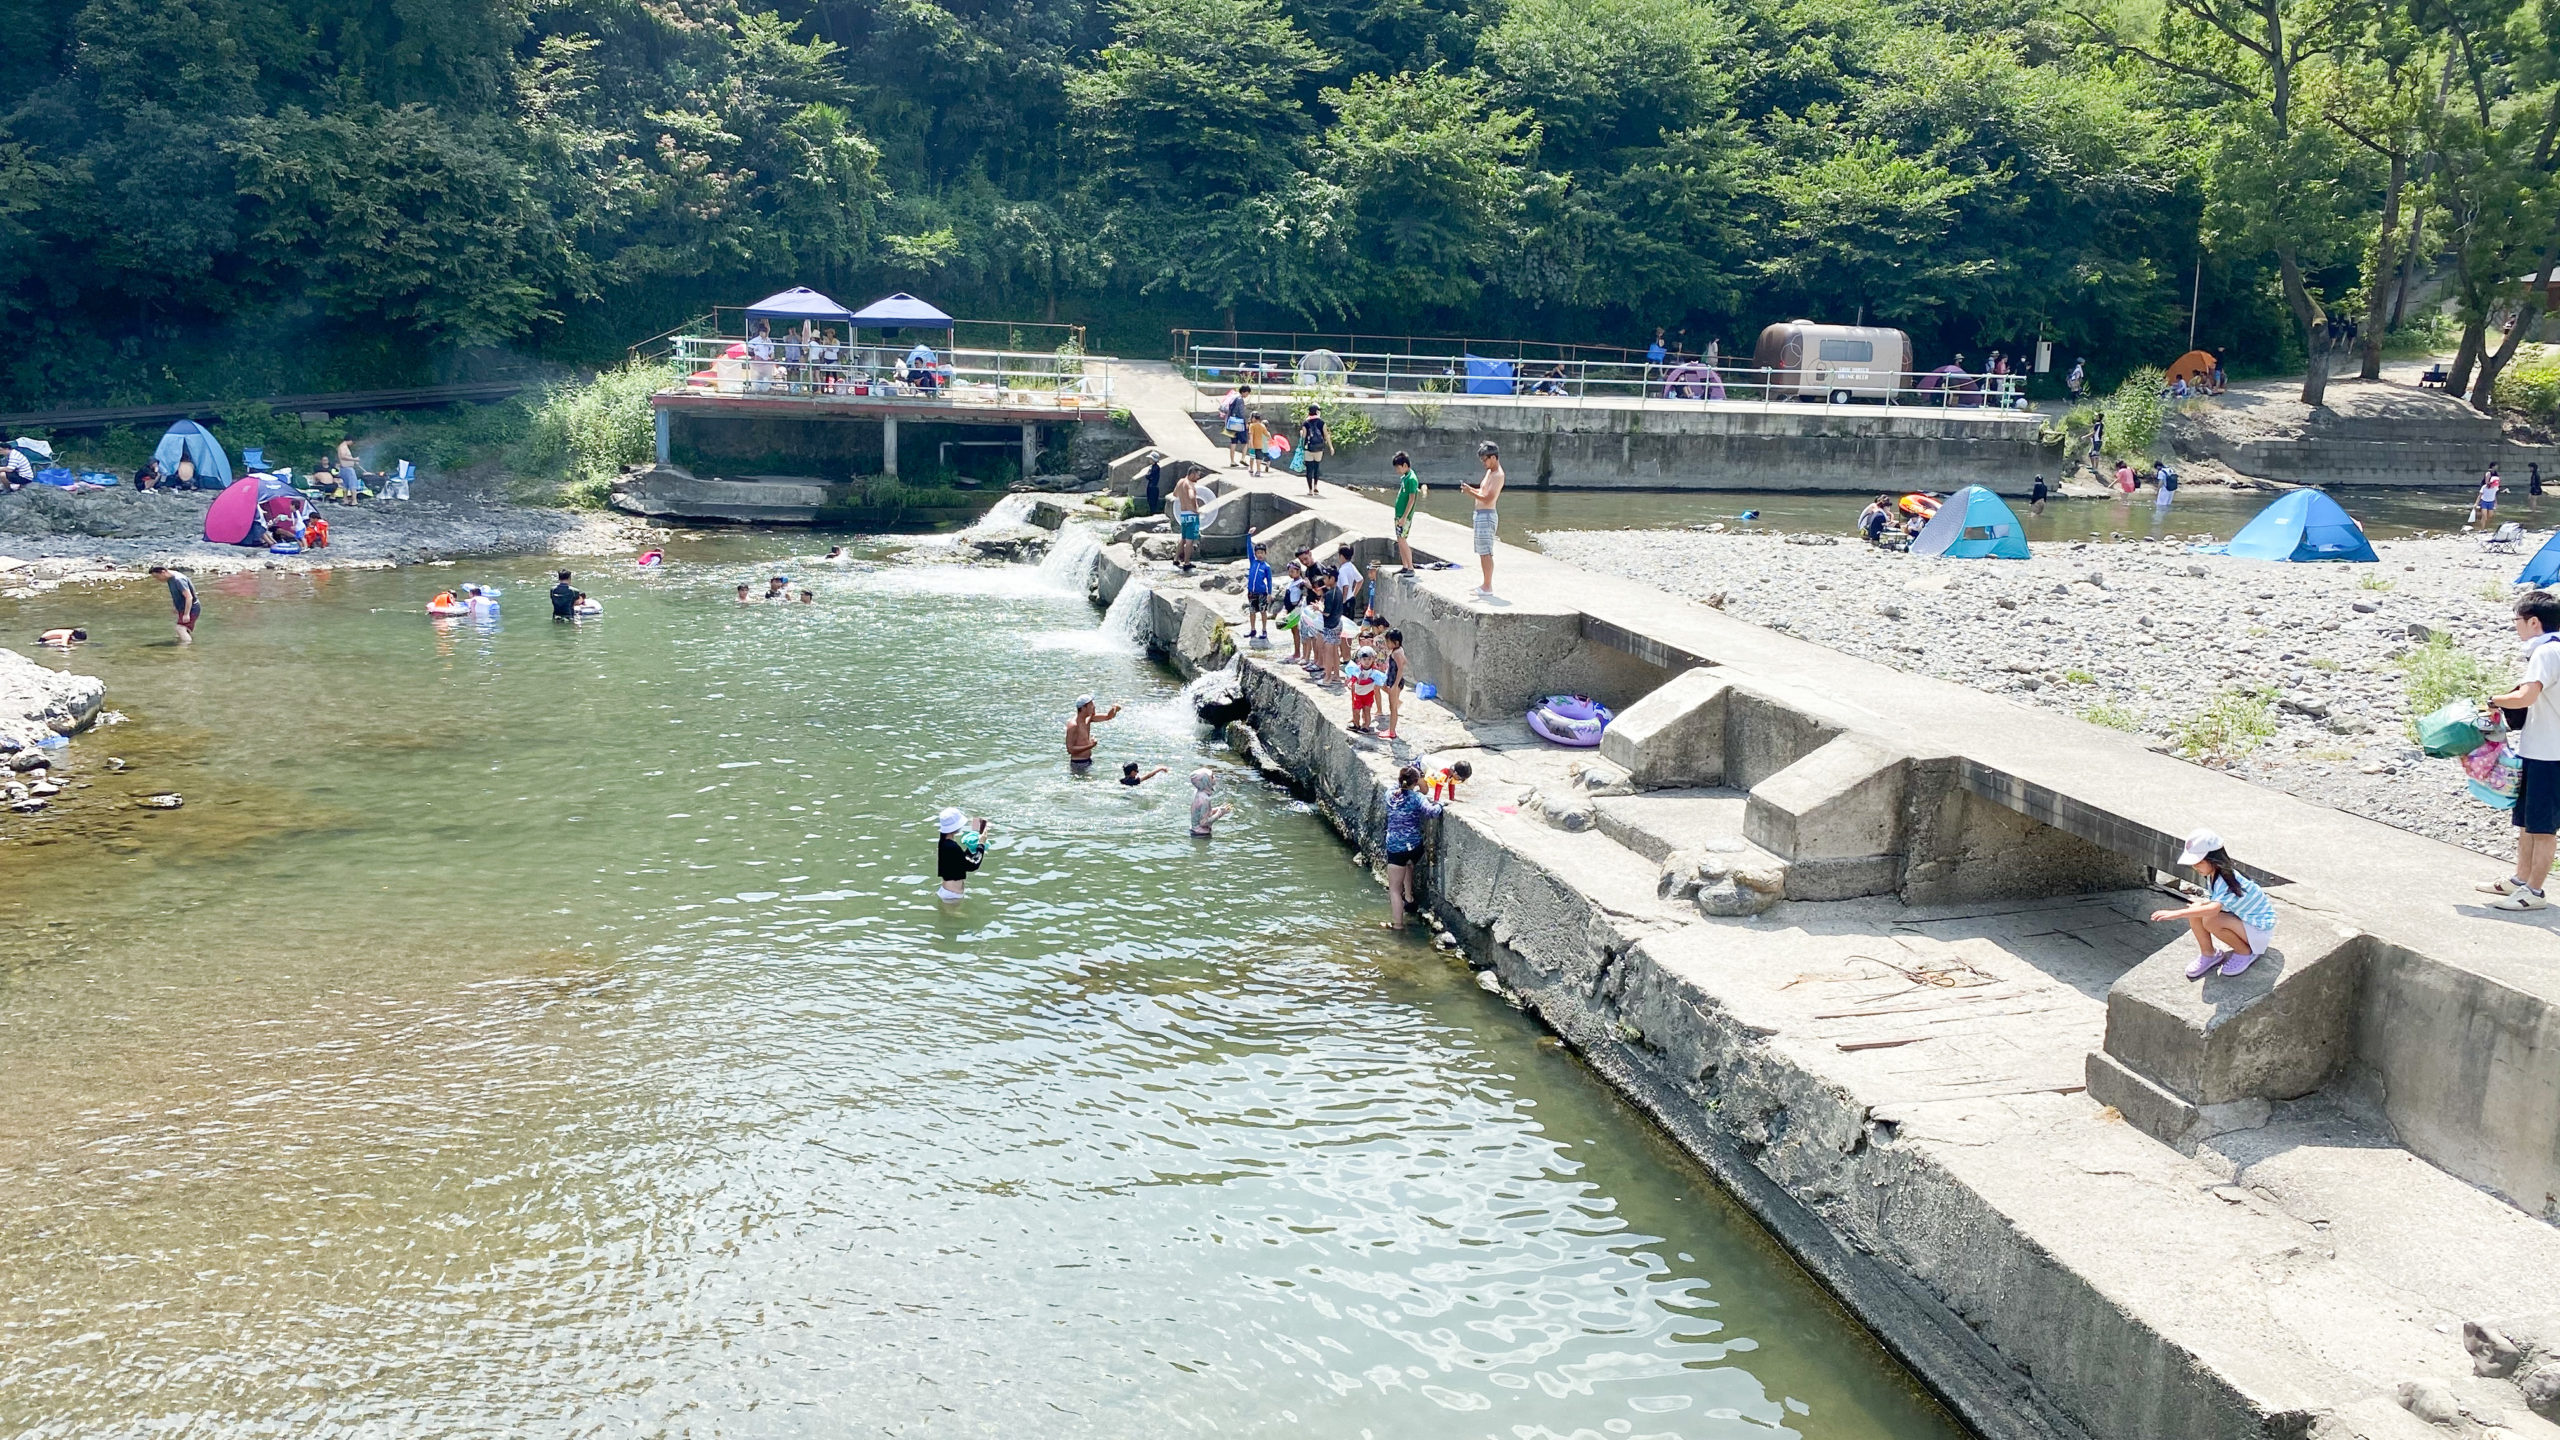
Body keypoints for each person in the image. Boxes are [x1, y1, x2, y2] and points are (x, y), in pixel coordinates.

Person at [2479, 589, 2560, 911]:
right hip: (2541, 749)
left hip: (2550, 754)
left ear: (2534, 622)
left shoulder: (2546, 653)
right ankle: (2520, 879)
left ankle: (2535, 892)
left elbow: (2526, 697)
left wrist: (2494, 699)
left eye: (2517, 621)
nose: (2516, 627)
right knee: (2528, 821)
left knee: (2542, 827)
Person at [2150, 828, 2278, 978]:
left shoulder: (2226, 879)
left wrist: (2177, 913)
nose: (2195, 867)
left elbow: (2213, 909)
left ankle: (2244, 952)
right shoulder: (2215, 875)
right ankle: (2208, 953)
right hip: (2245, 921)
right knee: (2196, 910)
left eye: (2199, 862)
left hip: (2259, 931)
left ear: (2213, 859)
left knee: (2211, 921)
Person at [1382, 764, 1444, 930]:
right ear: (1415, 782)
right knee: (1409, 864)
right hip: (1415, 848)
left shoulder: (1389, 795)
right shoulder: (1417, 798)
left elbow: (1397, 787)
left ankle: (1398, 925)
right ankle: (1409, 898)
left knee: (1394, 889)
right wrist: (1440, 804)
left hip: (1396, 849)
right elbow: (1432, 812)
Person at [1460, 440, 1504, 598]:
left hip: (1487, 515)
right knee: (1482, 551)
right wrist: (1470, 488)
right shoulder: (1490, 472)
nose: (1483, 463)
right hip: (1480, 515)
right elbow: (1483, 490)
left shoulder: (1498, 475)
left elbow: (1488, 497)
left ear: (1493, 457)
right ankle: (1485, 584)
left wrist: (1469, 493)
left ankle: (1487, 585)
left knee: (1486, 552)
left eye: (1485, 459)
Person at [935, 807, 990, 900]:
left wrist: (976, 827)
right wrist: (981, 844)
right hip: (951, 895)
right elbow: (973, 865)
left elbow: (961, 860)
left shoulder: (945, 843)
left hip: (949, 892)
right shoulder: (952, 847)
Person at [1389, 451, 1423, 574]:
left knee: (1402, 539)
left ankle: (1411, 567)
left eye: (1398, 468)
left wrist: (1404, 517)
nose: (1397, 471)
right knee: (1399, 539)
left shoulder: (1412, 479)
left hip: (1404, 517)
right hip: (1399, 515)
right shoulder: (1405, 477)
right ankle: (1405, 566)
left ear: (1404, 465)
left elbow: (1412, 499)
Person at [1066, 694, 1120, 770]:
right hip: (1078, 763)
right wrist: (1091, 746)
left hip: (1088, 760)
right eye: (1091, 705)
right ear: (1083, 708)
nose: (1094, 706)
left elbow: (1108, 716)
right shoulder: (1073, 725)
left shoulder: (1088, 718)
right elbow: (1070, 749)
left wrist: (1114, 708)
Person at [149, 565, 198, 644]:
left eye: (157, 577)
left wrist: (186, 614)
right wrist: (176, 606)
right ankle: (187, 643)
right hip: (183, 607)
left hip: (192, 607)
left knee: (180, 628)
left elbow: (189, 597)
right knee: (183, 630)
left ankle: (186, 648)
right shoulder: (170, 577)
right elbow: (176, 594)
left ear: (163, 572)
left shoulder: (179, 580)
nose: (157, 580)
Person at [1345, 645, 1384, 732]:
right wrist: (1351, 681)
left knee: (1367, 711)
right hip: (1358, 694)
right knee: (1356, 710)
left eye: (1369, 659)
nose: (1367, 662)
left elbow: (1373, 680)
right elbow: (1353, 677)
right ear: (1360, 659)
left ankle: (1366, 725)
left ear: (1373, 659)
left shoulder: (1374, 671)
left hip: (1368, 694)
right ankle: (1356, 724)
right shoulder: (1357, 669)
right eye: (1364, 659)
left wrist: (1361, 681)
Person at [1171, 468, 1202, 571]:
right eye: (1198, 475)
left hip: (1183, 515)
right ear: (1192, 474)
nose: (1199, 477)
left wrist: (1183, 498)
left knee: (1183, 537)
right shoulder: (1190, 485)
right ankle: (1186, 562)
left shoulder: (1180, 482)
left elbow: (1175, 494)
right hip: (1191, 516)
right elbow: (1192, 496)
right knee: (1189, 540)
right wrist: (1195, 509)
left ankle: (1176, 559)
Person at [1187, 769, 1233, 838]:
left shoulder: (1197, 793)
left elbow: (1203, 813)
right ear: (1205, 781)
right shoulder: (1204, 799)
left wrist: (1218, 809)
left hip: (1194, 831)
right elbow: (1204, 822)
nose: (1215, 778)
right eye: (1212, 777)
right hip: (1201, 834)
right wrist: (1220, 813)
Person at [1244, 540, 1274, 645]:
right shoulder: (1253, 561)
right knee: (1252, 611)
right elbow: (1248, 549)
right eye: (1258, 553)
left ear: (1265, 554)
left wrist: (1269, 593)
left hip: (1262, 593)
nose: (1260, 555)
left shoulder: (1266, 566)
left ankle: (1264, 630)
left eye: (1262, 553)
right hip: (1252, 592)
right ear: (1255, 554)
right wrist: (1248, 536)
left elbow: (1269, 580)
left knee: (1263, 611)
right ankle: (1253, 630)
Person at [1380, 628, 1408, 738]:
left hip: (1395, 682)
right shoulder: (1399, 650)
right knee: (1382, 686)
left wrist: (1395, 685)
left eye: (1388, 642)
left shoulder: (1396, 653)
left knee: (1393, 708)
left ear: (1395, 643)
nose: (1386, 644)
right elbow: (1405, 661)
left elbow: (1401, 668)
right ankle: (1397, 700)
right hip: (1392, 680)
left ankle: (1391, 731)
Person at [1298, 406, 1328, 496]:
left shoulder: (1306, 423)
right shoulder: (1322, 422)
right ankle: (1315, 487)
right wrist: (1330, 447)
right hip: (1319, 448)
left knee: (1309, 469)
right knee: (1316, 467)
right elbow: (1326, 435)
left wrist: (1301, 434)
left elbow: (1303, 437)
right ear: (1317, 412)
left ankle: (1310, 490)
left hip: (1309, 448)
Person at [1222, 385, 1252, 467]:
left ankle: (1232, 461)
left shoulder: (1234, 398)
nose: (1247, 395)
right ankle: (1243, 458)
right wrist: (1245, 423)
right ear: (1244, 392)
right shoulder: (1240, 400)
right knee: (1246, 442)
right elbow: (1241, 413)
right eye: (1247, 393)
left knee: (1233, 442)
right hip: (1238, 423)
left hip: (1230, 422)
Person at [1245, 411, 1270, 476]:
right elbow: (1267, 435)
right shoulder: (1262, 426)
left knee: (1252, 458)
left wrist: (1251, 445)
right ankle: (1258, 471)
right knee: (1259, 459)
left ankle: (1251, 469)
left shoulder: (1252, 426)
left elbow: (1251, 436)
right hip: (1260, 445)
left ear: (1254, 418)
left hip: (1253, 445)